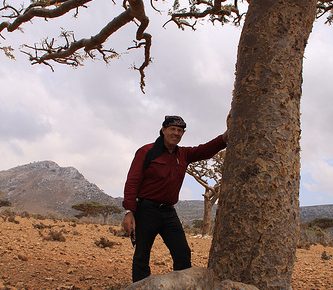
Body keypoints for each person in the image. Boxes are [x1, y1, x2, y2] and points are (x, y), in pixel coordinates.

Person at [122, 115, 228, 282]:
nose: (176, 133)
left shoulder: (183, 154)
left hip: (168, 212)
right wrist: (129, 211)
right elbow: (133, 181)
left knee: (182, 253)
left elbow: (204, 150)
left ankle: (182, 286)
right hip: (146, 210)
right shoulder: (146, 152)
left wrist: (224, 138)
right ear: (163, 130)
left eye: (180, 131)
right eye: (172, 129)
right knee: (142, 255)